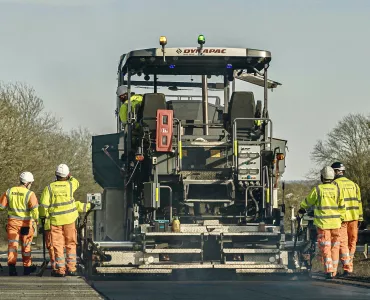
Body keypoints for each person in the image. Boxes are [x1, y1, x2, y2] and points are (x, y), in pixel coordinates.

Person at [298, 166, 345, 279]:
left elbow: (308, 201)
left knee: (326, 248)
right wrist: (341, 220)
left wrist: (302, 208)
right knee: (335, 247)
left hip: (324, 224)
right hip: (336, 224)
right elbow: (342, 206)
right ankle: (333, 271)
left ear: (322, 177)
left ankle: (329, 270)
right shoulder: (337, 189)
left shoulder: (318, 190)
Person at [39, 164, 83, 277]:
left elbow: (43, 206)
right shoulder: (70, 185)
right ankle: (72, 269)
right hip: (70, 220)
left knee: (57, 245)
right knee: (71, 244)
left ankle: (60, 270)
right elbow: (76, 181)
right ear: (68, 175)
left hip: (55, 221)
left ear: (55, 174)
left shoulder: (49, 188)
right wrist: (70, 176)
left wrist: (43, 217)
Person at [0, 172, 39, 276]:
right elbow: (35, 211)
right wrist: (37, 220)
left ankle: (12, 268)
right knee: (26, 246)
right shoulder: (30, 194)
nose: (31, 185)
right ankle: (27, 267)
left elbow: (1, 206)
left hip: (12, 224)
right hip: (25, 224)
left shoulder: (9, 191)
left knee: (13, 245)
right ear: (27, 183)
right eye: (31, 183)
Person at [40, 198, 93, 273]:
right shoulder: (69, 201)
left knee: (55, 246)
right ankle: (71, 268)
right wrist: (90, 205)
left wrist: (40, 223)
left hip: (52, 225)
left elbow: (42, 211)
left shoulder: (50, 202)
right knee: (70, 244)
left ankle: (58, 268)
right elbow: (80, 206)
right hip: (68, 223)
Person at [331, 162, 363, 276]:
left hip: (342, 219)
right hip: (354, 218)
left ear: (335, 172)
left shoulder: (334, 184)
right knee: (352, 242)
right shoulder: (354, 185)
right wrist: (360, 218)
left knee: (342, 243)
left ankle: (346, 267)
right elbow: (359, 203)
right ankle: (349, 268)